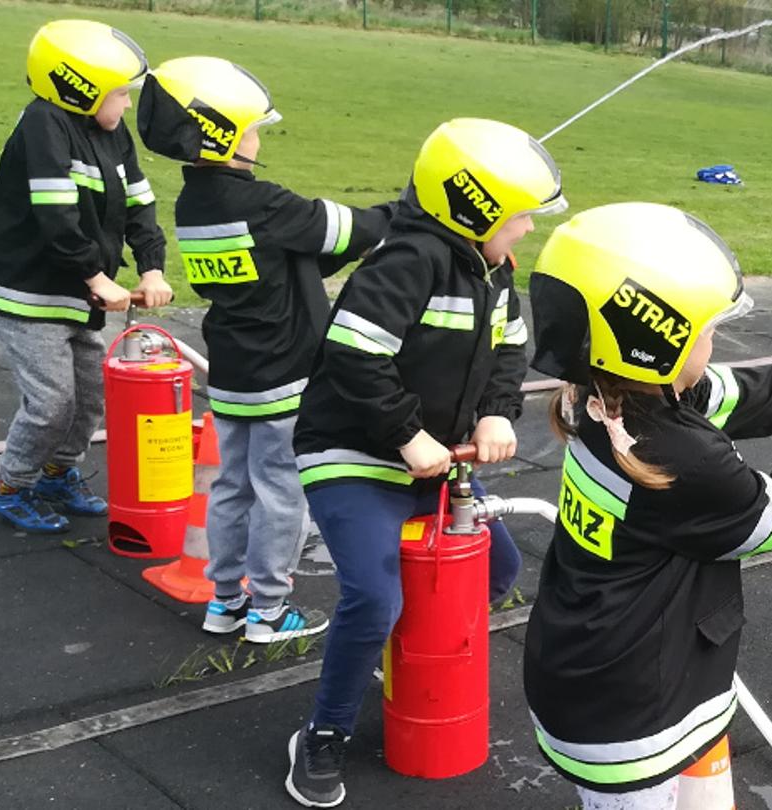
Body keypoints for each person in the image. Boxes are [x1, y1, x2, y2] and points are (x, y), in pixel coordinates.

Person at [519, 201, 772, 808]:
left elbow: (746, 393)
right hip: (630, 715)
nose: (714, 337)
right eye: (705, 328)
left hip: (602, 676)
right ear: (656, 339)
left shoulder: (607, 394)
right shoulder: (681, 456)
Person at [283, 118, 565, 808]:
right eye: (518, 215)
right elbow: (353, 352)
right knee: (375, 596)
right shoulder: (408, 260)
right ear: (474, 210)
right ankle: (322, 734)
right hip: (354, 454)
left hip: (434, 463)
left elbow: (508, 353)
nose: (527, 229)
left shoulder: (495, 271)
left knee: (498, 570)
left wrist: (499, 411)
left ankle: (388, 659)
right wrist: (408, 436)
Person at [135, 55, 395, 643]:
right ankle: (270, 610)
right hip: (284, 371)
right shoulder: (262, 203)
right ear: (223, 134)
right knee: (282, 491)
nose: (258, 137)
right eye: (252, 127)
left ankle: (225, 601)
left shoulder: (195, 202)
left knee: (231, 485)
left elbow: (289, 258)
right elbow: (348, 229)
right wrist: (404, 209)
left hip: (234, 370)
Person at [0, 19, 172, 534]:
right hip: (23, 290)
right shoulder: (43, 125)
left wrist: (150, 265)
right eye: (119, 94)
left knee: (90, 395)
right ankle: (12, 485)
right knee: (52, 400)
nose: (127, 104)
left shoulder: (111, 131)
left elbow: (139, 204)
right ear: (79, 91)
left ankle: (57, 473)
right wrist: (97, 276)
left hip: (75, 291)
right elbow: (56, 216)